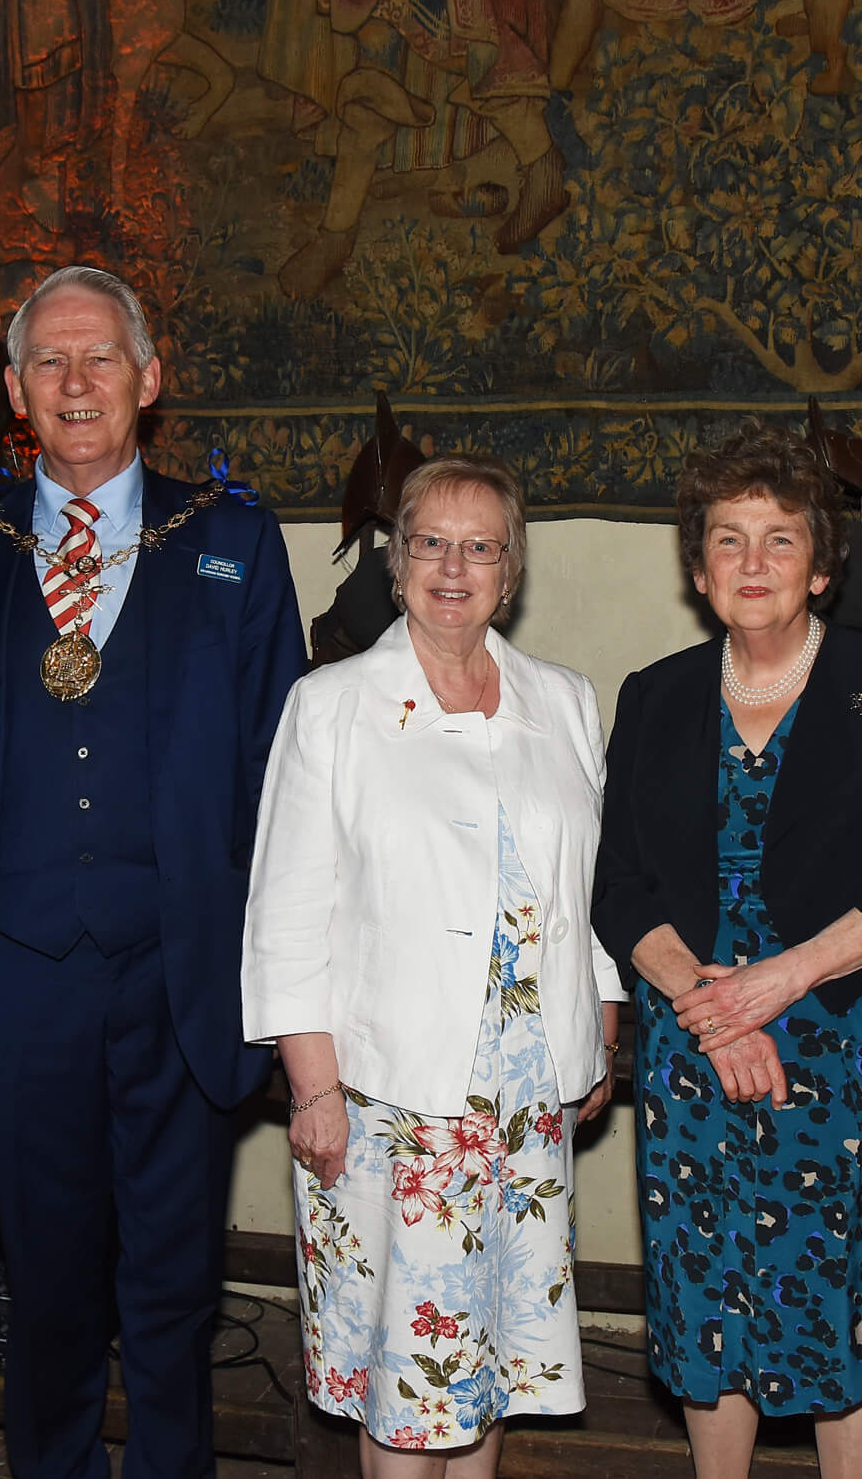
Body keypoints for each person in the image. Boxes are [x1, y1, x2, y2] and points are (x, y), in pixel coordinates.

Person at [0, 264, 304, 1479]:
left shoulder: (230, 539)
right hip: (13, 983)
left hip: (182, 978)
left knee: (173, 1295)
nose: (75, 382)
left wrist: (291, 985)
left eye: (100, 357)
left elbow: (284, 785)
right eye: (49, 362)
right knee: (49, 1294)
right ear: (15, 391)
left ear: (147, 378)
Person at [242, 456, 623, 1473]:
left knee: (487, 1365)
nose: (454, 568)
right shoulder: (332, 704)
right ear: (397, 559)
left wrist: (600, 1016)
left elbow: (589, 884)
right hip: (390, 1101)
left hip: (526, 1095)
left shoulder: (563, 700)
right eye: (431, 544)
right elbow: (285, 912)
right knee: (405, 1380)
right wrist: (311, 1088)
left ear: (511, 569)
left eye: (479, 547)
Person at [592, 420, 862, 1479]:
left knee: (843, 1304)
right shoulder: (656, 694)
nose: (753, 562)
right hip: (695, 1050)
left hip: (845, 1044)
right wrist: (712, 1012)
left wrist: (778, 982)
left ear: (822, 565)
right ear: (699, 569)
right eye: (728, 539)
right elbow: (618, 887)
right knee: (708, 1299)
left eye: (780, 538)